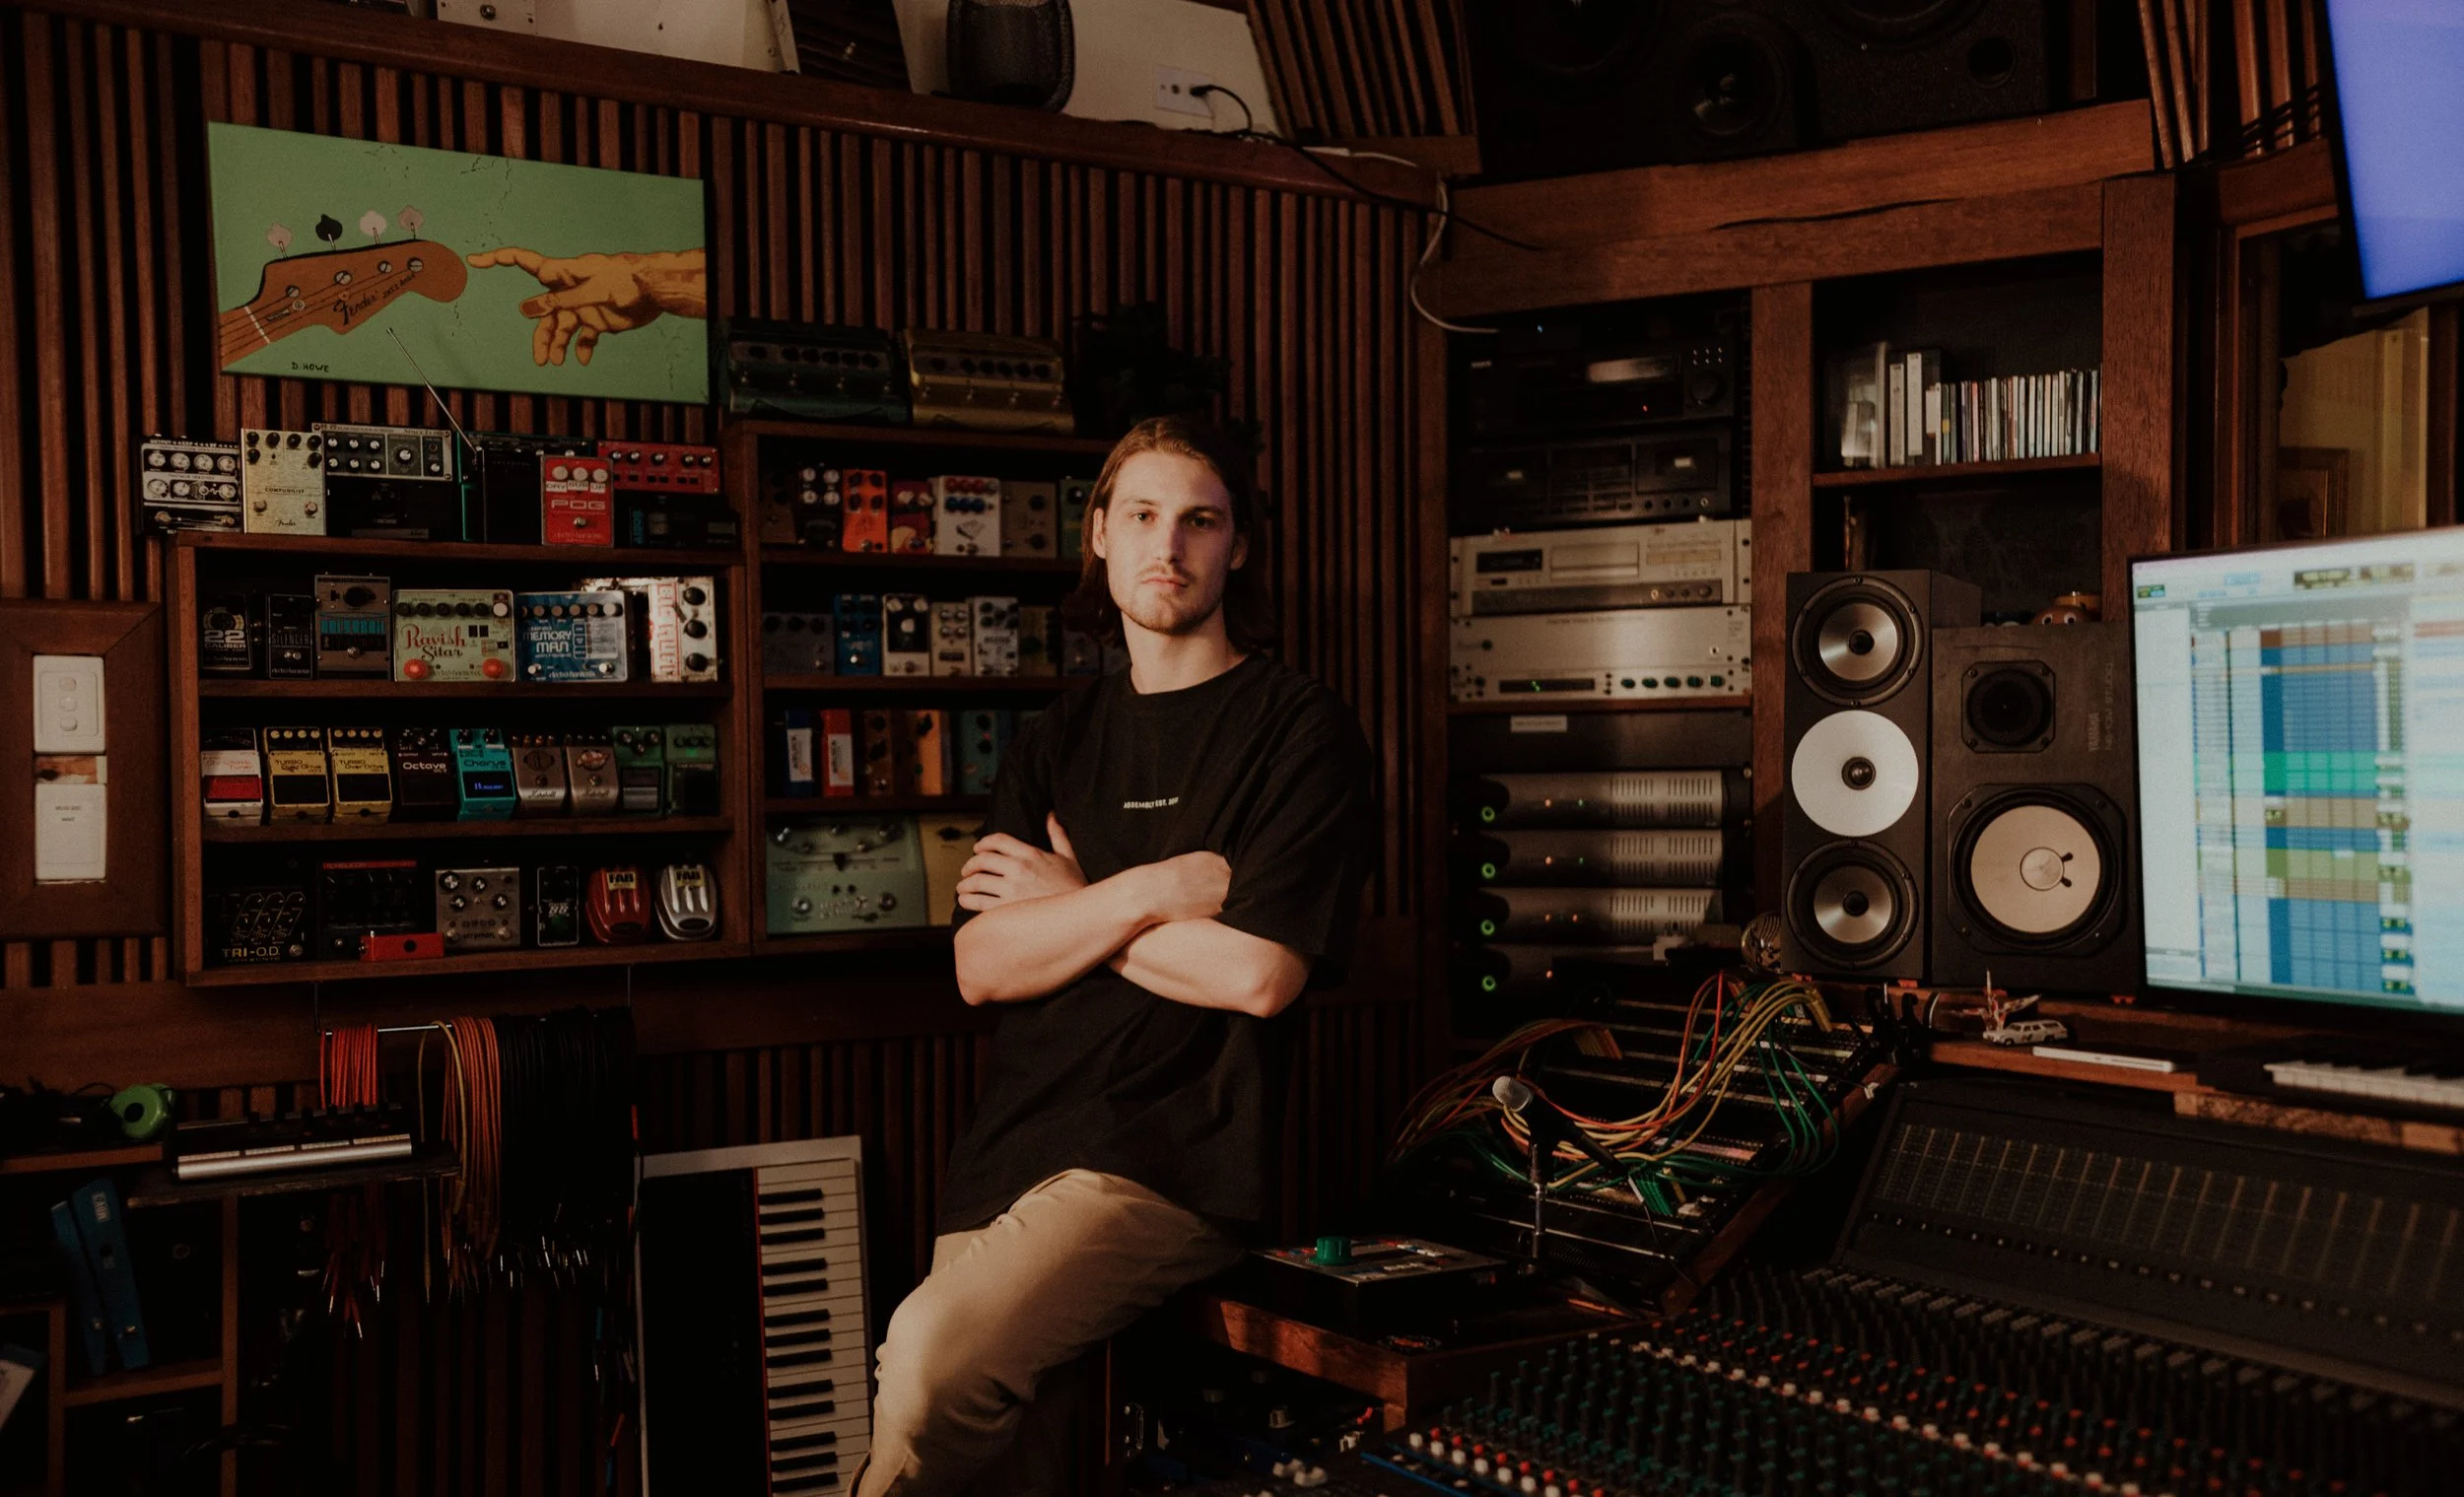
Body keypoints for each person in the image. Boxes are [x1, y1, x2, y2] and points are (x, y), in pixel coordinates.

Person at [854, 415, 1376, 1497]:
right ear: (1096, 533)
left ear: (1239, 545)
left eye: (1200, 520)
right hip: (1007, 1151)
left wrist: (1073, 910)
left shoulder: (1300, 729)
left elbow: (1257, 976)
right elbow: (983, 966)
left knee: (925, 1365)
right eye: (1140, 515)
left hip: (1172, 1159)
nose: (1168, 546)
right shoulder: (1056, 736)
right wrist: (1144, 892)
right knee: (1002, 1473)